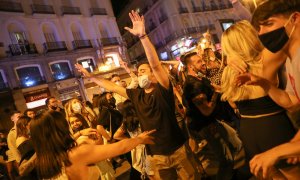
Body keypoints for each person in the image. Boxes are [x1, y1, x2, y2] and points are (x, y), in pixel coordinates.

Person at [75, 10, 196, 179]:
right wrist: (92, 77)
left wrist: (143, 37)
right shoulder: (136, 95)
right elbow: (111, 86)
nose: (141, 74)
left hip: (178, 150)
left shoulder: (163, 89)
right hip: (156, 156)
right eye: (139, 72)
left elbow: (155, 64)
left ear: (153, 75)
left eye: (144, 71)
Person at [220, 20, 297, 178]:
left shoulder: (227, 73)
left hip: (248, 133)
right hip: (274, 129)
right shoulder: (265, 61)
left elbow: (233, 103)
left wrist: (229, 59)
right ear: (250, 37)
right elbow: (291, 37)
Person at [30, 110, 155, 179]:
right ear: (60, 129)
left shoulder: (42, 162)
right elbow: (120, 147)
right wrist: (139, 139)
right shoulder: (76, 154)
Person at [114, 100, 154, 179]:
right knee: (154, 171)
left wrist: (133, 139)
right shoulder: (141, 117)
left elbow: (116, 135)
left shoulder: (126, 121)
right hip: (149, 146)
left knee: (148, 172)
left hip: (137, 148)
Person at [7, 111, 22, 179]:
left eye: (22, 116)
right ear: (12, 119)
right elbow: (14, 149)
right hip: (24, 160)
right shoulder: (12, 133)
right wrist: (20, 163)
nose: (21, 118)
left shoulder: (26, 128)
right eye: (18, 117)